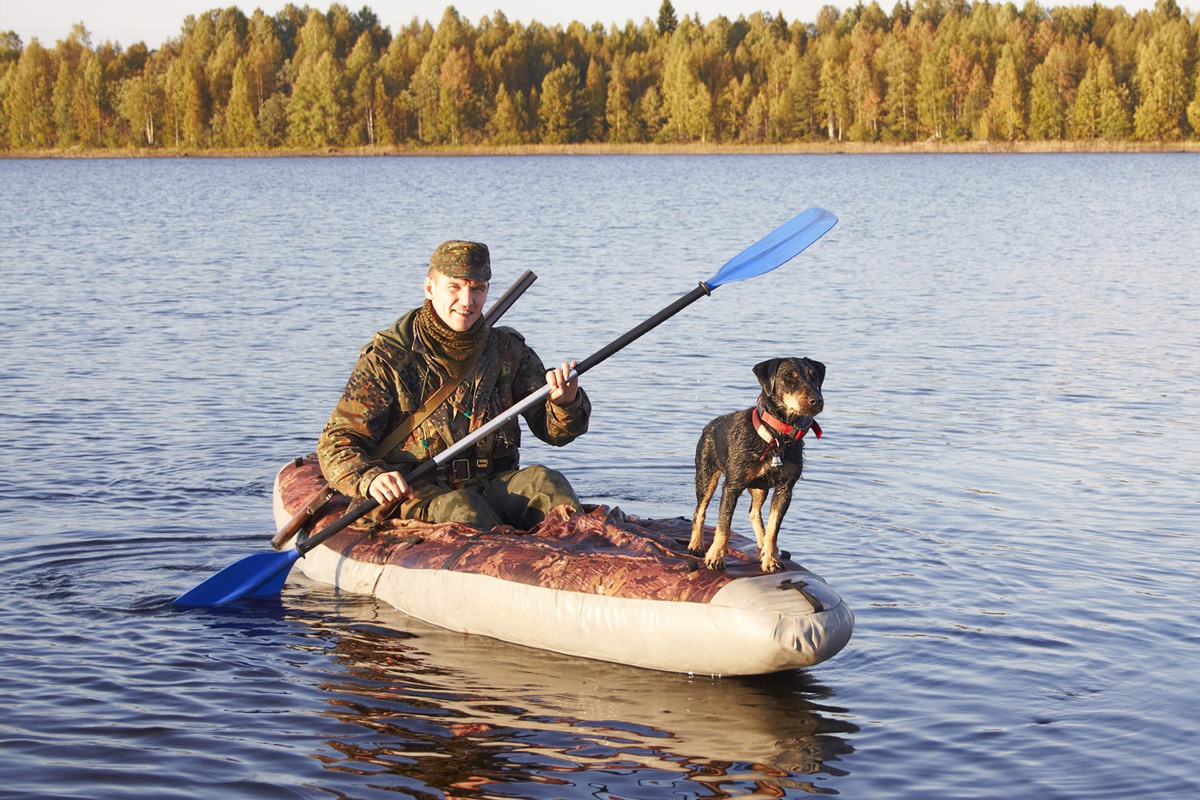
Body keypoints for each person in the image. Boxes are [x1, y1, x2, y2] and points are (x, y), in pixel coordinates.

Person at [317, 240, 590, 530]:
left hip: (494, 483)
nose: (467, 301)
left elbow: (556, 434)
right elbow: (336, 443)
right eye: (454, 287)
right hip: (414, 492)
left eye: (478, 289)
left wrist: (565, 403)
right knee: (464, 509)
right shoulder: (389, 358)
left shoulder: (508, 351)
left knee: (547, 483)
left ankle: (583, 557)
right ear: (430, 288)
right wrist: (371, 478)